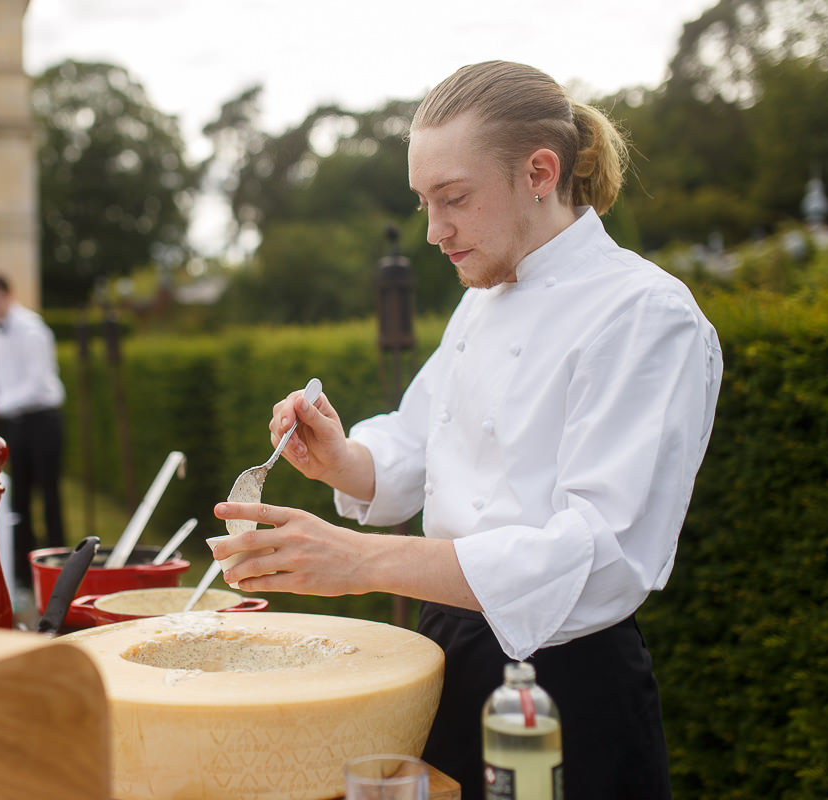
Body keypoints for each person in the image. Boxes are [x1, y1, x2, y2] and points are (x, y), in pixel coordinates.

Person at [211, 61, 723, 800]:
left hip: (563, 689)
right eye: (424, 202)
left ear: (540, 172)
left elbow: (605, 555)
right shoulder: (486, 292)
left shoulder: (645, 315)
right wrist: (343, 459)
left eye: (453, 199)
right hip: (444, 656)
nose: (433, 230)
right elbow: (423, 446)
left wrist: (360, 562)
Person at [0, 274, 67, 590]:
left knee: (49, 498)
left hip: (43, 420)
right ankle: (25, 574)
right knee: (19, 498)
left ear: (9, 295)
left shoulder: (32, 329)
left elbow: (36, 385)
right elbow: (7, 381)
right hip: (17, 424)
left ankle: (61, 570)